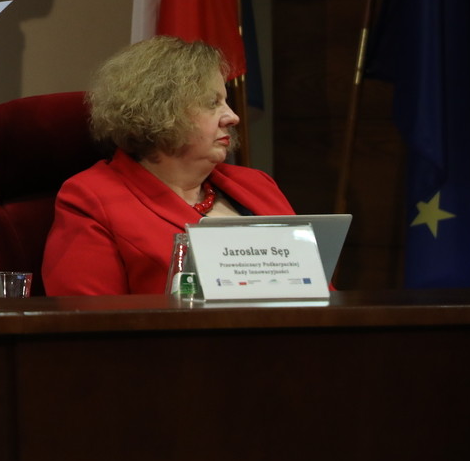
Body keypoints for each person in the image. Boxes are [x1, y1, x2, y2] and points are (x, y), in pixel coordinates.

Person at [42, 35, 295, 295]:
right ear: (160, 111)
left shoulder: (256, 184)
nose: (233, 117)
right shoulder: (91, 200)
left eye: (226, 102)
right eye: (213, 103)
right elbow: (87, 314)